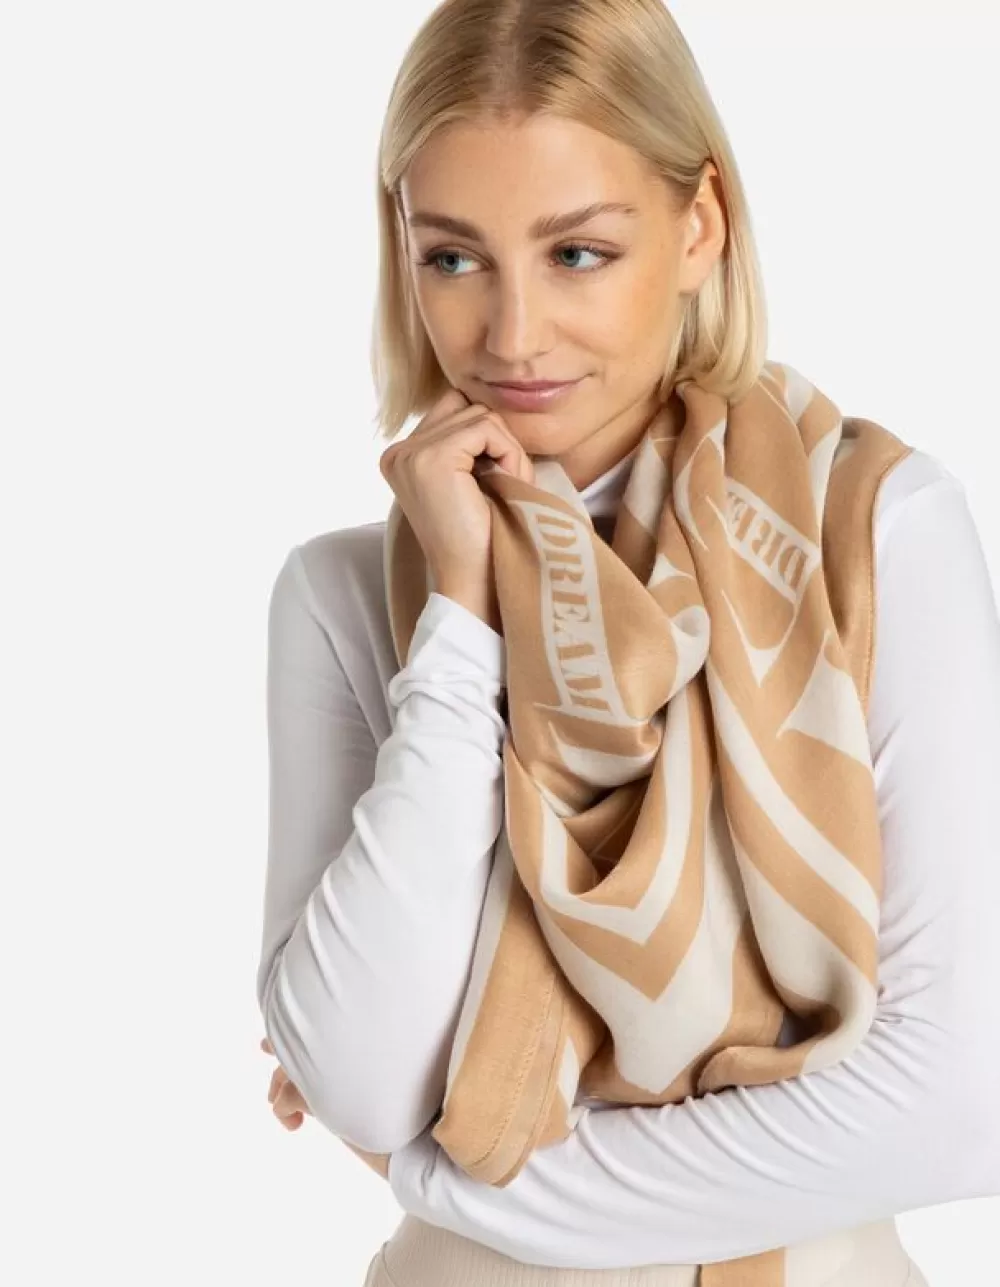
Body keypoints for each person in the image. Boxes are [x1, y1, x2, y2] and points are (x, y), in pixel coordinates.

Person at [255, 1, 1000, 1284]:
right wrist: (461, 619)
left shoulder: (876, 536)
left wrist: (442, 1172)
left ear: (698, 226)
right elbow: (363, 1077)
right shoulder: (342, 595)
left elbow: (958, 1101)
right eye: (453, 258)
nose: (512, 334)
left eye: (577, 253)